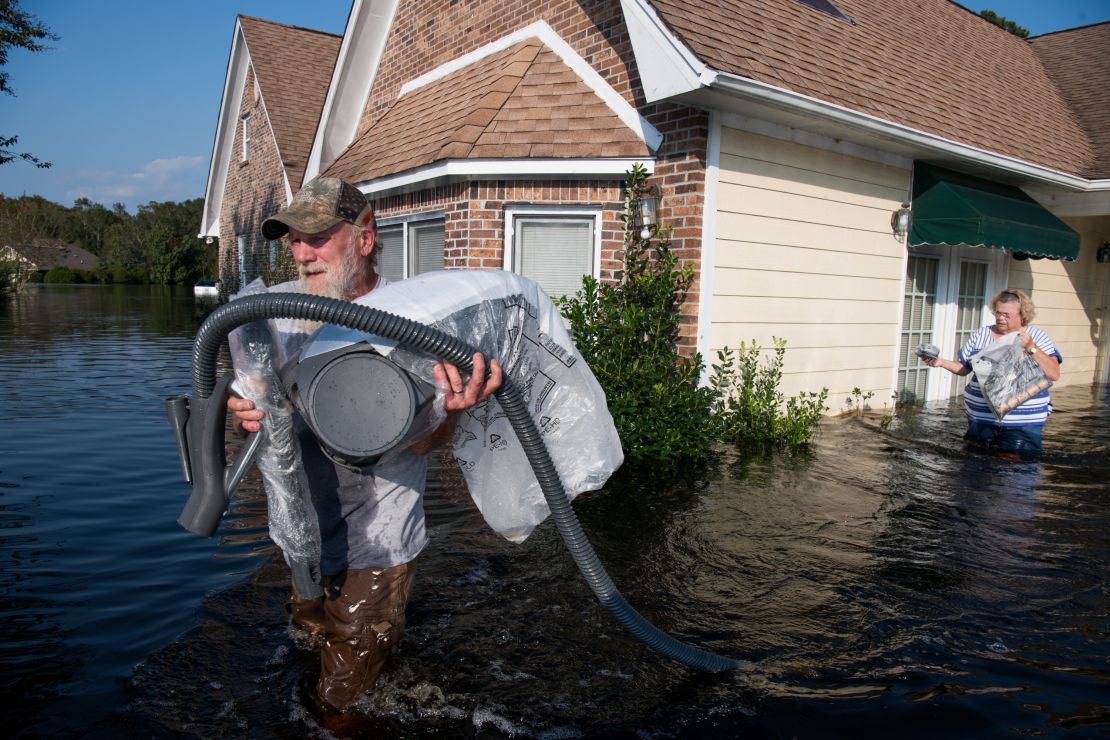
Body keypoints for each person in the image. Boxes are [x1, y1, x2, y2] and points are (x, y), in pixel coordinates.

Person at [226, 177, 502, 713]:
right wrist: (245, 416)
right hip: (301, 539)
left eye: (318, 237)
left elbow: (428, 444)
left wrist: (452, 411)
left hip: (377, 543)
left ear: (365, 237)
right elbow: (255, 420)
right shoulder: (278, 319)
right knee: (308, 647)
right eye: (293, 241)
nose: (302, 254)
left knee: (338, 703)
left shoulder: (415, 321)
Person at [923, 288, 1060, 453]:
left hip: (1022, 421)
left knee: (1016, 469)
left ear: (1022, 315)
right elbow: (964, 368)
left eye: (1006, 315)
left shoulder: (1036, 336)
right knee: (976, 467)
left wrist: (1031, 348)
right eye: (998, 313)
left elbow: (1054, 374)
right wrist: (940, 362)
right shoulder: (982, 334)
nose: (1000, 318)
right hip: (981, 418)